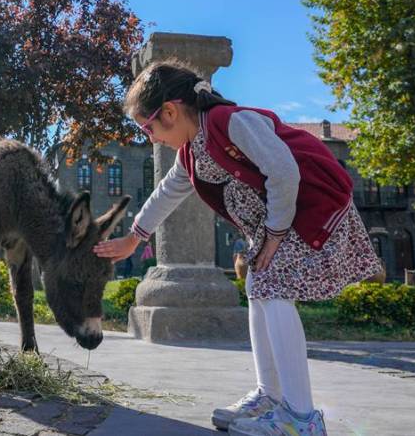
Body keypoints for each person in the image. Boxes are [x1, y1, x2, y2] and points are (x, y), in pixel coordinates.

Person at [94, 60, 380, 436]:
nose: (151, 138)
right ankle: (271, 396)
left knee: (272, 290)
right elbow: (167, 191)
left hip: (308, 209)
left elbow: (284, 171)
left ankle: (300, 418)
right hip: (280, 222)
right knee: (258, 288)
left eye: (148, 128)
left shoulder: (230, 122)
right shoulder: (192, 152)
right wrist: (135, 237)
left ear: (170, 111)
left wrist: (275, 233)